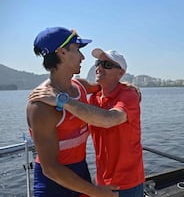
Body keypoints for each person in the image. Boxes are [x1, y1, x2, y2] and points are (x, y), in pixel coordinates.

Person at [29, 48, 145, 197]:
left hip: (128, 183)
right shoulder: (94, 99)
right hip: (103, 181)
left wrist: (61, 100)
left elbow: (109, 119)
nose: (100, 67)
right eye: (99, 63)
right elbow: (88, 90)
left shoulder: (128, 95)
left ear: (120, 73)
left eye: (107, 65)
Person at [26, 27, 118, 196]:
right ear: (61, 52)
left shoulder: (80, 87)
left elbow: (111, 86)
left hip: (81, 175)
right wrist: (97, 192)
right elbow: (51, 168)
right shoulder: (41, 106)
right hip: (54, 187)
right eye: (77, 50)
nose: (82, 57)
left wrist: (130, 88)